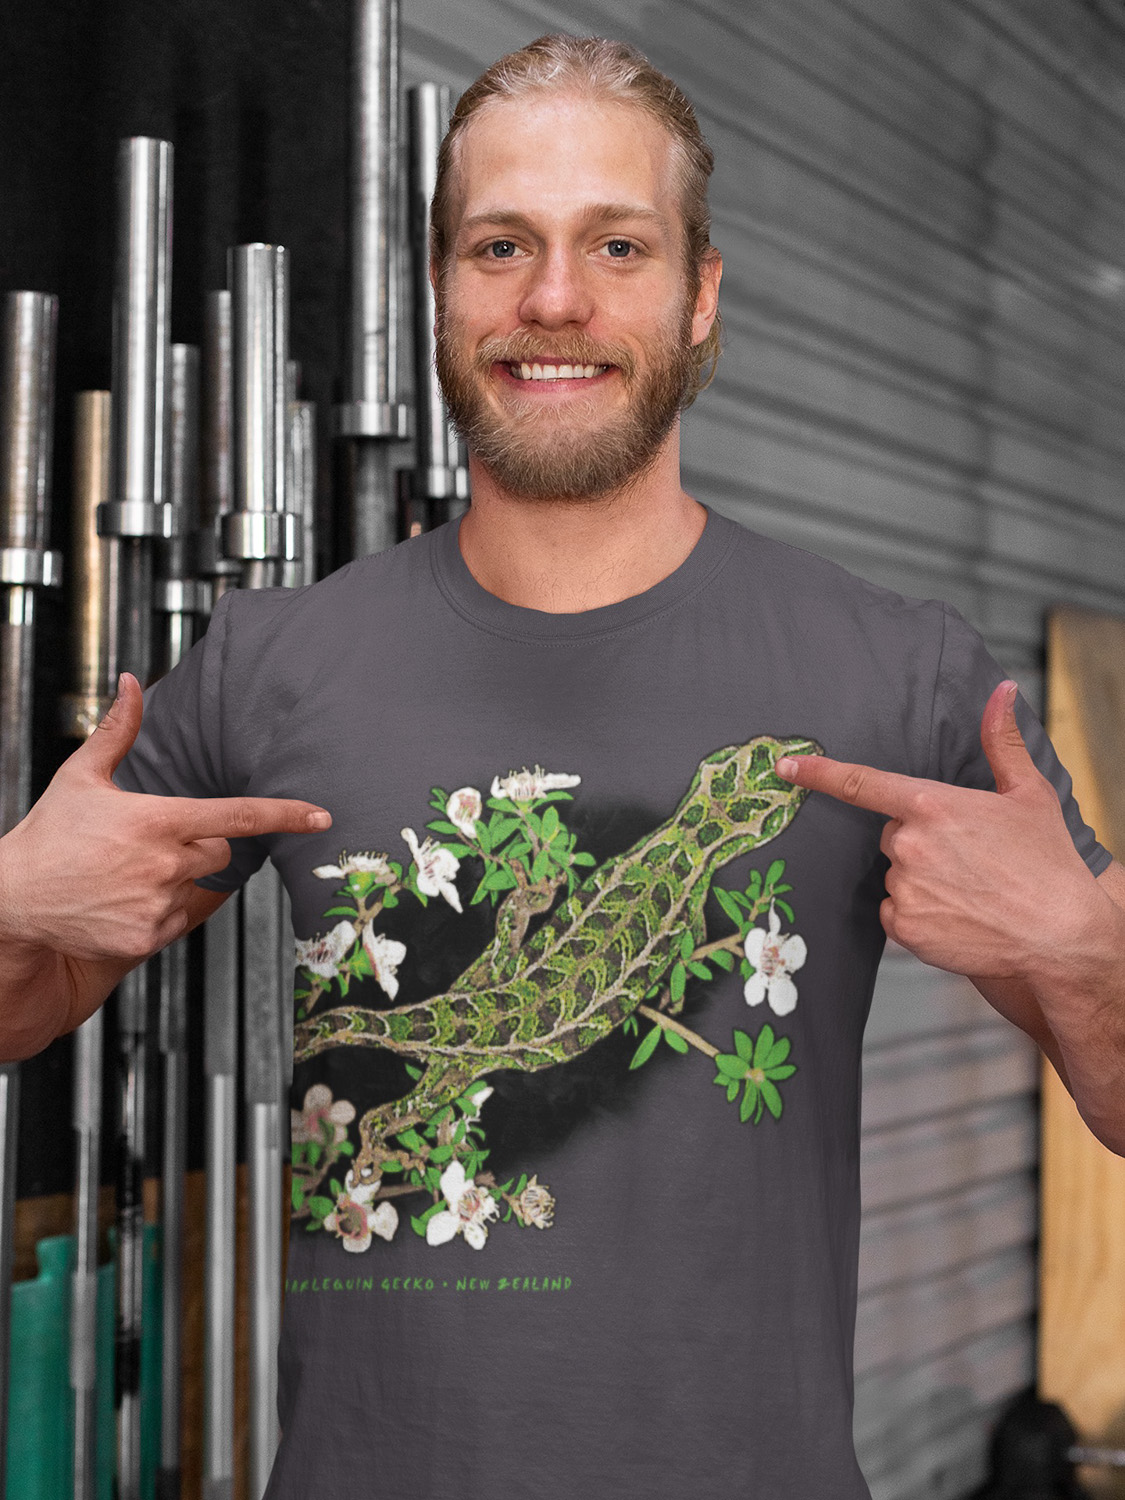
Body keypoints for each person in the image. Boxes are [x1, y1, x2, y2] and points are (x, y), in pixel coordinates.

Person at [1, 33, 1122, 1500]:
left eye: (616, 243)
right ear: (437, 292)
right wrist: (13, 898)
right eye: (499, 244)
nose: (553, 298)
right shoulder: (274, 661)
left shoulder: (901, 674)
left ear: (699, 295)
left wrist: (1089, 953)